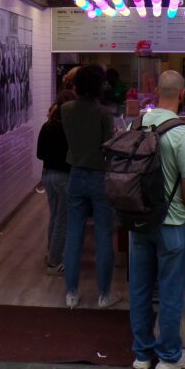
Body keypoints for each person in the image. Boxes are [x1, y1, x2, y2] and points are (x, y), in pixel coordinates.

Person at [129, 70, 185, 369]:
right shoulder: (183, 133)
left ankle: (142, 354)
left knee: (141, 289)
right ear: (182, 94)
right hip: (172, 224)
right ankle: (169, 356)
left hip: (139, 220)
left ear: (156, 90)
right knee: (171, 291)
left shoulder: (137, 124)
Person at [60, 64, 119, 309]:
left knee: (73, 233)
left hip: (75, 174)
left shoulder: (66, 109)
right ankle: (104, 295)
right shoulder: (104, 113)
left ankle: (71, 294)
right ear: (99, 85)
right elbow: (110, 149)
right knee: (103, 234)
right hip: (99, 176)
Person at [36, 89, 75, 275]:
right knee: (63, 220)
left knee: (54, 216)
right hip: (64, 177)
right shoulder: (70, 128)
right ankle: (54, 262)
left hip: (47, 176)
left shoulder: (47, 126)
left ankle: (50, 251)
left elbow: (39, 154)